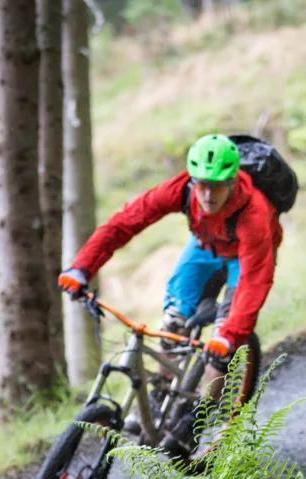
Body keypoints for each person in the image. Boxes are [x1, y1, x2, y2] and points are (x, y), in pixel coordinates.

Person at [58, 133, 283, 457]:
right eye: (202, 184)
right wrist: (82, 267)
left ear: (233, 181)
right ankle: (159, 397)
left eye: (217, 185)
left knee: (223, 343)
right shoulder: (182, 189)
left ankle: (198, 417)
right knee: (173, 321)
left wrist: (229, 334)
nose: (207, 193)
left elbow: (254, 282)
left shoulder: (254, 212)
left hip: (245, 260)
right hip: (204, 247)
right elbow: (126, 221)